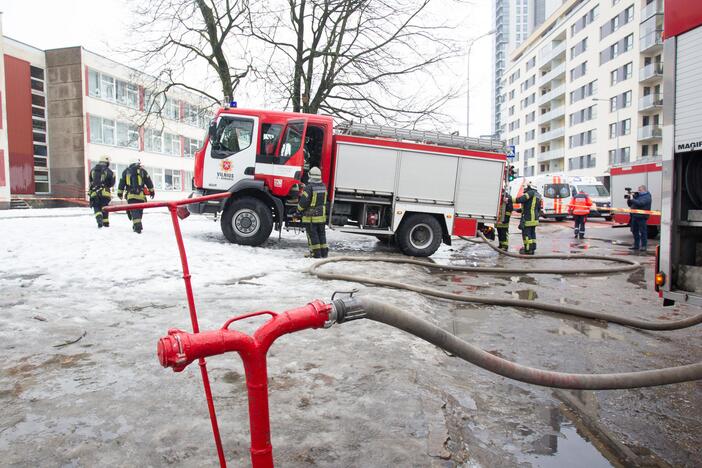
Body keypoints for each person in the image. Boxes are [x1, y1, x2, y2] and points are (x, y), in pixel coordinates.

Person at [296, 166, 328, 258]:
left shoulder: (309, 188)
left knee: (312, 235)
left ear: (310, 176)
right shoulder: (323, 186)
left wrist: (298, 210)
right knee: (321, 234)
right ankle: (324, 253)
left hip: (311, 217)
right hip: (321, 217)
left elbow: (303, 202)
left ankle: (315, 254)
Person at [117, 160, 155, 234]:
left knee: (134, 210)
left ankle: (137, 225)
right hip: (141, 196)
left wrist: (120, 193)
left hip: (131, 196)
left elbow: (121, 183)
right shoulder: (143, 171)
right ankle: (137, 224)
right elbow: (149, 182)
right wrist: (152, 192)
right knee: (139, 211)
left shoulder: (125, 172)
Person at [88, 155, 115, 228]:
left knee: (96, 207)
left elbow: (91, 181)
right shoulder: (109, 171)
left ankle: (99, 219)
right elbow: (112, 183)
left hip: (94, 193)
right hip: (105, 193)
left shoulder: (92, 170)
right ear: (107, 162)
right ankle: (106, 223)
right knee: (104, 207)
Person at [515, 181, 541, 255]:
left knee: (526, 234)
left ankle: (528, 250)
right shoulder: (538, 195)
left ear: (530, 187)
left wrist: (509, 200)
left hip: (528, 218)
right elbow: (534, 207)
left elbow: (521, 199)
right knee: (532, 233)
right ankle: (532, 248)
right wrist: (521, 210)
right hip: (534, 218)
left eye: (527, 186)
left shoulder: (530, 193)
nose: (525, 188)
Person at [627, 184, 652, 251]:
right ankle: (636, 245)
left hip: (642, 217)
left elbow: (641, 203)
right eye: (638, 190)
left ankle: (643, 246)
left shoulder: (647, 196)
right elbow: (630, 204)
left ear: (644, 190)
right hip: (634, 216)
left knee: (643, 232)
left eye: (640, 190)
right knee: (634, 231)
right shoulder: (638, 196)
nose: (638, 191)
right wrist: (629, 199)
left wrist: (633, 199)